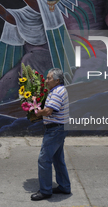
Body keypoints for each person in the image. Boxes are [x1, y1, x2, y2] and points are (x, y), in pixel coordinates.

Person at [31, 68, 71, 201]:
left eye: (49, 78)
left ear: (57, 80)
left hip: (55, 130)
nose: (46, 81)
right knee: (58, 160)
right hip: (59, 129)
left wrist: (36, 111)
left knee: (44, 160)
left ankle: (45, 191)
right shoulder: (58, 90)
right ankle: (64, 186)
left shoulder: (57, 92)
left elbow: (48, 111)